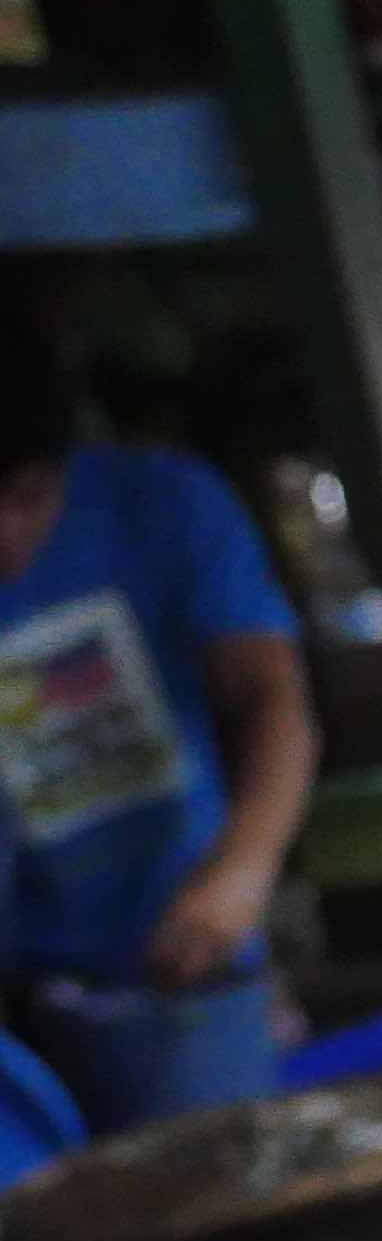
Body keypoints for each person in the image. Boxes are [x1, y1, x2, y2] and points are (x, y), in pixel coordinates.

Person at [0, 288, 315, 1127]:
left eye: (27, 495)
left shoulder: (165, 505)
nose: (4, 534)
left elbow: (271, 699)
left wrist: (242, 870)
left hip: (191, 969)